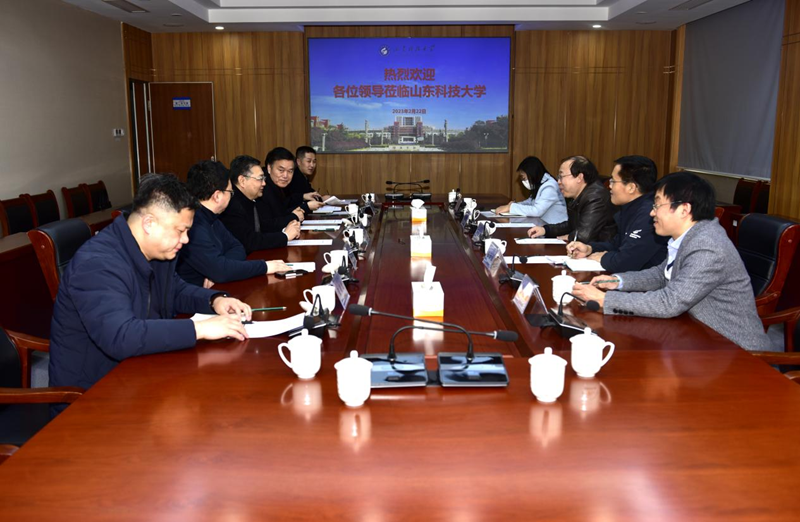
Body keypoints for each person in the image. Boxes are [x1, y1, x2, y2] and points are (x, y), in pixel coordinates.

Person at [49, 174, 251, 404]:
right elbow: (121, 336)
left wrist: (214, 300)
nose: (186, 240)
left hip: (141, 372)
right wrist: (200, 329)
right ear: (149, 224)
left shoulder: (155, 251)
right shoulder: (98, 264)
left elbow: (174, 290)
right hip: (94, 397)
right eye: (181, 230)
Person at [571, 172, 772, 352]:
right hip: (696, 335)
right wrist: (617, 281)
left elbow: (670, 302)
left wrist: (605, 300)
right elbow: (662, 275)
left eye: (657, 205)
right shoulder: (690, 236)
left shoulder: (708, 246)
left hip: (734, 351)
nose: (652, 213)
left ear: (684, 209)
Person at [177, 160, 290, 287]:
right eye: (230, 192)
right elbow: (221, 271)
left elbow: (237, 247)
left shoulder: (213, 218)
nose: (232, 197)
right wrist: (265, 266)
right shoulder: (193, 224)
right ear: (217, 196)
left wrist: (221, 269)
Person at [565, 155, 667, 273]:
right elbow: (617, 244)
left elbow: (627, 262)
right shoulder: (630, 208)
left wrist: (604, 258)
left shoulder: (649, 214)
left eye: (613, 181)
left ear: (631, 187)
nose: (609, 186)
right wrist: (590, 248)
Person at [220, 155, 302, 254]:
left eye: (264, 179)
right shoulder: (231, 204)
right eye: (260, 179)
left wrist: (287, 229)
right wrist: (285, 236)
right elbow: (249, 241)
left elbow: (262, 227)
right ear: (242, 181)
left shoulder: (248, 199)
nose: (264, 183)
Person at [527, 156, 617, 243]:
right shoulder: (576, 196)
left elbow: (584, 236)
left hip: (600, 250)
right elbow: (571, 225)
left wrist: (569, 237)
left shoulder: (596, 197)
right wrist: (545, 230)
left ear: (579, 178)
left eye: (562, 176)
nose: (558, 182)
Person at [493, 156, 567, 223]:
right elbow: (530, 202)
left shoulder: (550, 187)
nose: (523, 181)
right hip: (544, 226)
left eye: (524, 178)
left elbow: (536, 211)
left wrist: (510, 207)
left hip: (556, 229)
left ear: (532, 174)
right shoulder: (540, 184)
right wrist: (514, 205)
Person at [262, 147, 323, 215]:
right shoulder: (263, 187)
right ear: (269, 168)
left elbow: (285, 205)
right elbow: (277, 217)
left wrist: (303, 196)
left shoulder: (277, 185)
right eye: (281, 170)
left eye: (290, 171)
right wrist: (306, 207)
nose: (285, 175)